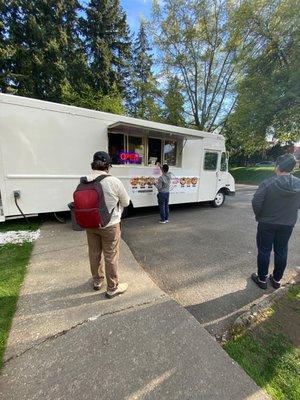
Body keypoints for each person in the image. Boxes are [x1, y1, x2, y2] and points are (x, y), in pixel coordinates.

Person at [251, 154, 300, 289]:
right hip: (287, 223)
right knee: (281, 250)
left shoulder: (268, 183)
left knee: (264, 250)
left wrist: (260, 215)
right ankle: (277, 280)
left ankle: (262, 279)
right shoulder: (298, 184)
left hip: (267, 222)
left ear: (278, 166)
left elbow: (256, 201)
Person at [85, 151, 131, 298]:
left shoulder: (84, 180)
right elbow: (126, 202)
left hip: (90, 224)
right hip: (110, 225)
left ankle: (97, 281)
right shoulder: (114, 181)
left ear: (93, 164)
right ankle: (112, 287)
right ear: (108, 166)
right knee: (111, 256)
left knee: (94, 253)